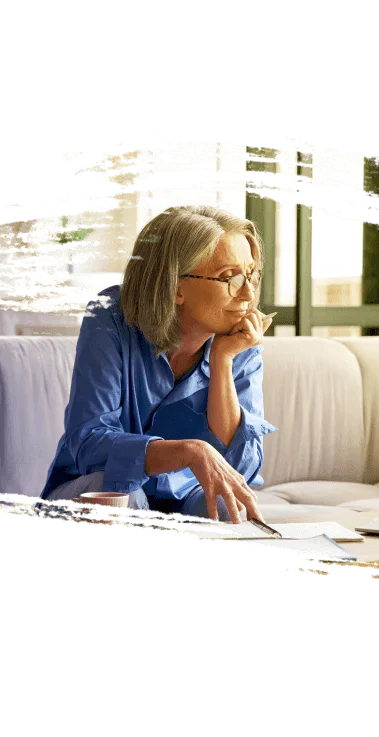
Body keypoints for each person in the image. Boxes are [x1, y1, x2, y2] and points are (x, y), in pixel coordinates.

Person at [33, 204, 279, 525]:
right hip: (92, 490)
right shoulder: (111, 315)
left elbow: (241, 469)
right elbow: (89, 442)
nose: (247, 293)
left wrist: (222, 361)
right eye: (229, 277)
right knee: (125, 499)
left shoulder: (238, 337)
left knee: (227, 505)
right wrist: (188, 451)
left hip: (181, 497)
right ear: (177, 287)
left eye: (251, 274)